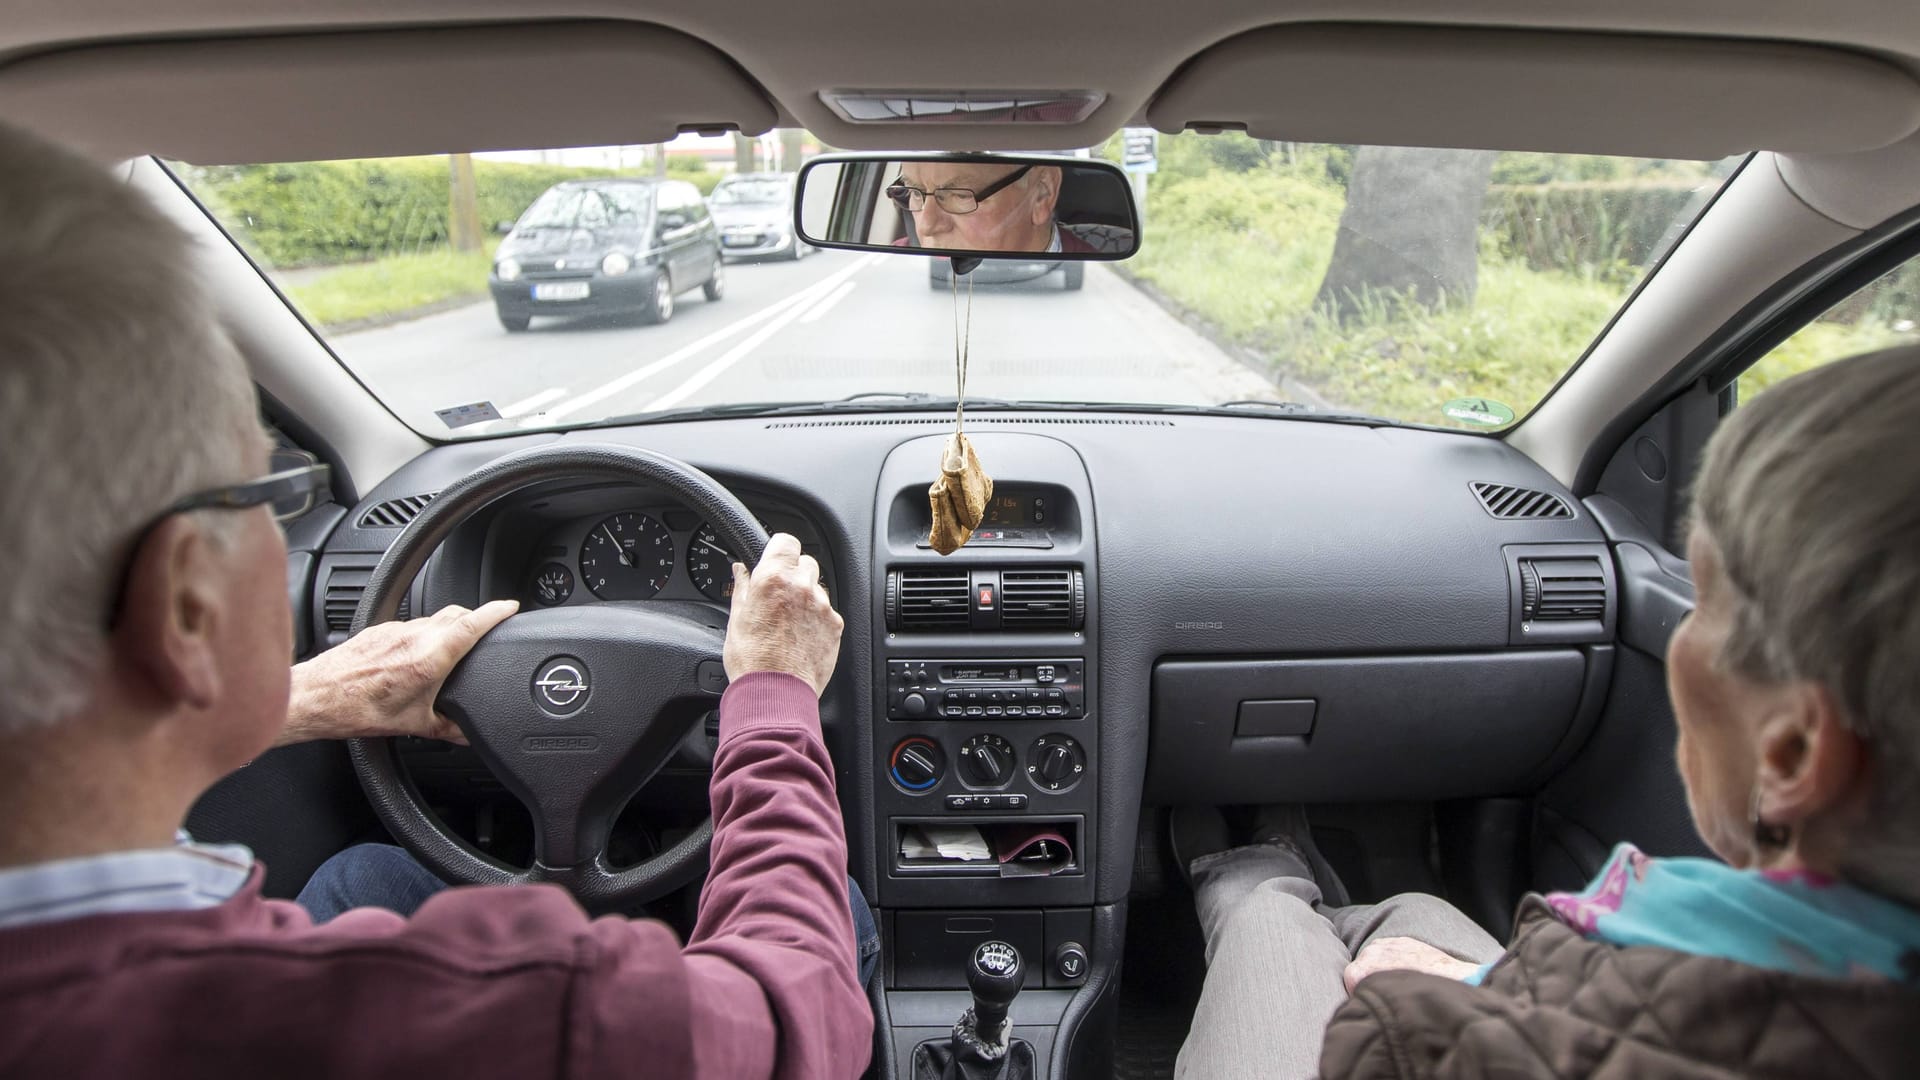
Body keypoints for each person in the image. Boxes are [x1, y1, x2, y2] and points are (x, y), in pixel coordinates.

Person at [0, 119, 872, 1078]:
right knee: (845, 911)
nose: (284, 522)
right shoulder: (525, 1017)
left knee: (364, 878)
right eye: (274, 493)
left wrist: (308, 701)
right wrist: (775, 696)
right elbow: (800, 1013)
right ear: (185, 604)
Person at [1173, 345, 1920, 1079]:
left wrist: (1422, 1006)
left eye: (1705, 596)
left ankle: (1253, 873)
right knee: (1408, 910)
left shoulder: (1425, 1039)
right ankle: (1278, 868)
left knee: (1271, 921)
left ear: (1792, 754)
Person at [888, 160, 1132, 254]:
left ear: (1042, 193)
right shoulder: (892, 267)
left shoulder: (1094, 290)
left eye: (960, 195)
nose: (927, 225)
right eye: (914, 192)